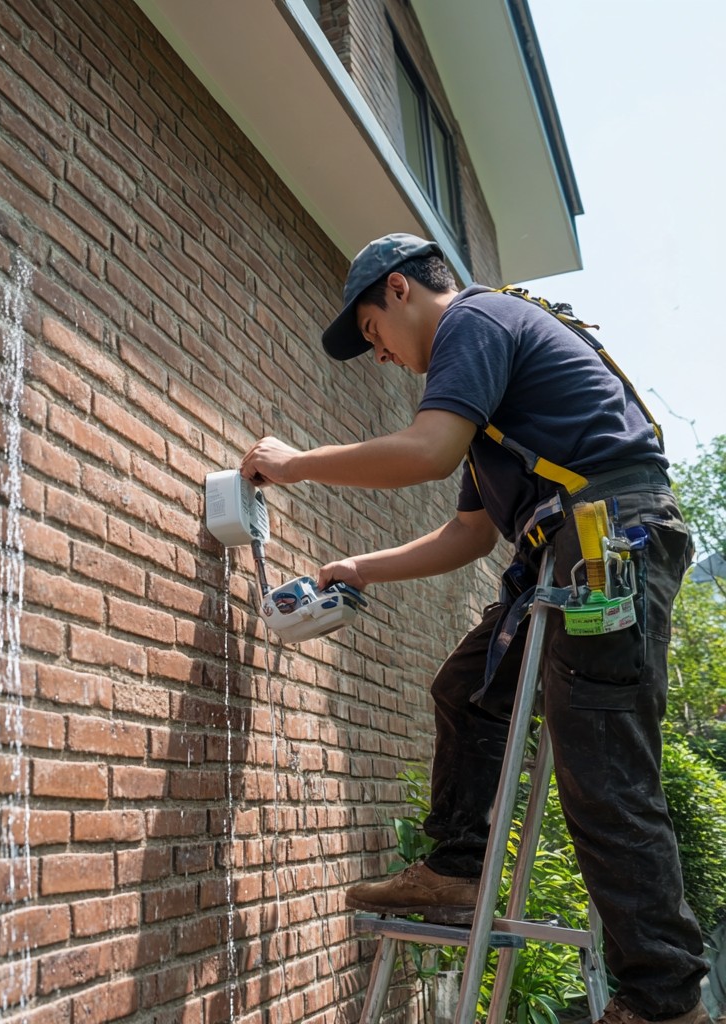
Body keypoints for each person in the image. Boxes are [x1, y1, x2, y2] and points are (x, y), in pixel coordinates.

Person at [240, 234, 710, 1024]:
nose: (381, 356)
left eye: (370, 333)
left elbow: (426, 451)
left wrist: (295, 464)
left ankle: (664, 1003)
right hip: (567, 550)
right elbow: (466, 536)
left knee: (604, 771)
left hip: (606, 541)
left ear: (398, 291)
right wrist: (356, 567)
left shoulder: (476, 322)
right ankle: (458, 866)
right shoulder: (487, 394)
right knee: (468, 687)